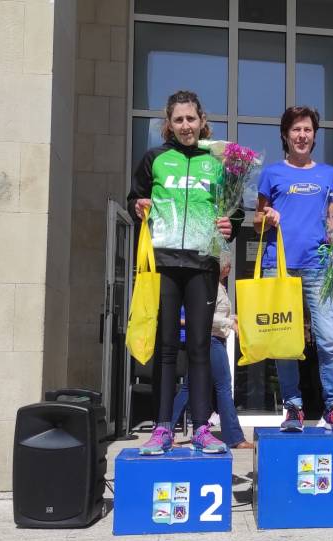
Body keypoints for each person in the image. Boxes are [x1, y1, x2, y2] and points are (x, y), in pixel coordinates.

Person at [127, 90, 241, 455]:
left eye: (191, 119)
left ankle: (203, 428)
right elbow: (135, 198)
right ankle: (162, 427)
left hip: (202, 264)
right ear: (169, 124)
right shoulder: (155, 158)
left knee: (199, 347)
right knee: (165, 347)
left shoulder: (216, 162)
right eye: (178, 120)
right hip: (164, 263)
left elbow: (234, 209)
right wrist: (138, 206)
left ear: (201, 120)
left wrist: (231, 225)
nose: (186, 126)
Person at [254, 106, 333, 433]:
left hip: (319, 267)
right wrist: (266, 218)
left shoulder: (329, 173)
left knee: (328, 338)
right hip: (279, 265)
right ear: (285, 135)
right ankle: (293, 408)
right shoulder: (271, 174)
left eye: (307, 130)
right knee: (285, 342)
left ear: (314, 135)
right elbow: (257, 223)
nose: (302, 135)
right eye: (296, 129)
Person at [171, 254, 253, 449]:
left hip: (208, 340)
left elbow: (217, 314)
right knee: (224, 387)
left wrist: (235, 317)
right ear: (221, 267)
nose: (230, 268)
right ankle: (235, 437)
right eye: (228, 265)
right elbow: (205, 316)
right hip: (211, 340)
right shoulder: (211, 287)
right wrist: (230, 323)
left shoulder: (218, 287)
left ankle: (166, 429)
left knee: (189, 387)